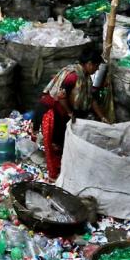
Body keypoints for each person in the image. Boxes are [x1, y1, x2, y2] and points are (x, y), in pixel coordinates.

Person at [34, 51, 109, 181]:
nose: (96, 69)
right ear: (89, 64)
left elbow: (91, 100)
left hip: (62, 112)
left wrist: (102, 117)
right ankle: (55, 176)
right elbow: (61, 96)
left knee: (62, 142)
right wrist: (70, 112)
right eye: (96, 66)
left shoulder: (85, 78)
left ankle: (63, 169)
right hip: (52, 111)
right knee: (54, 144)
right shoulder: (73, 76)